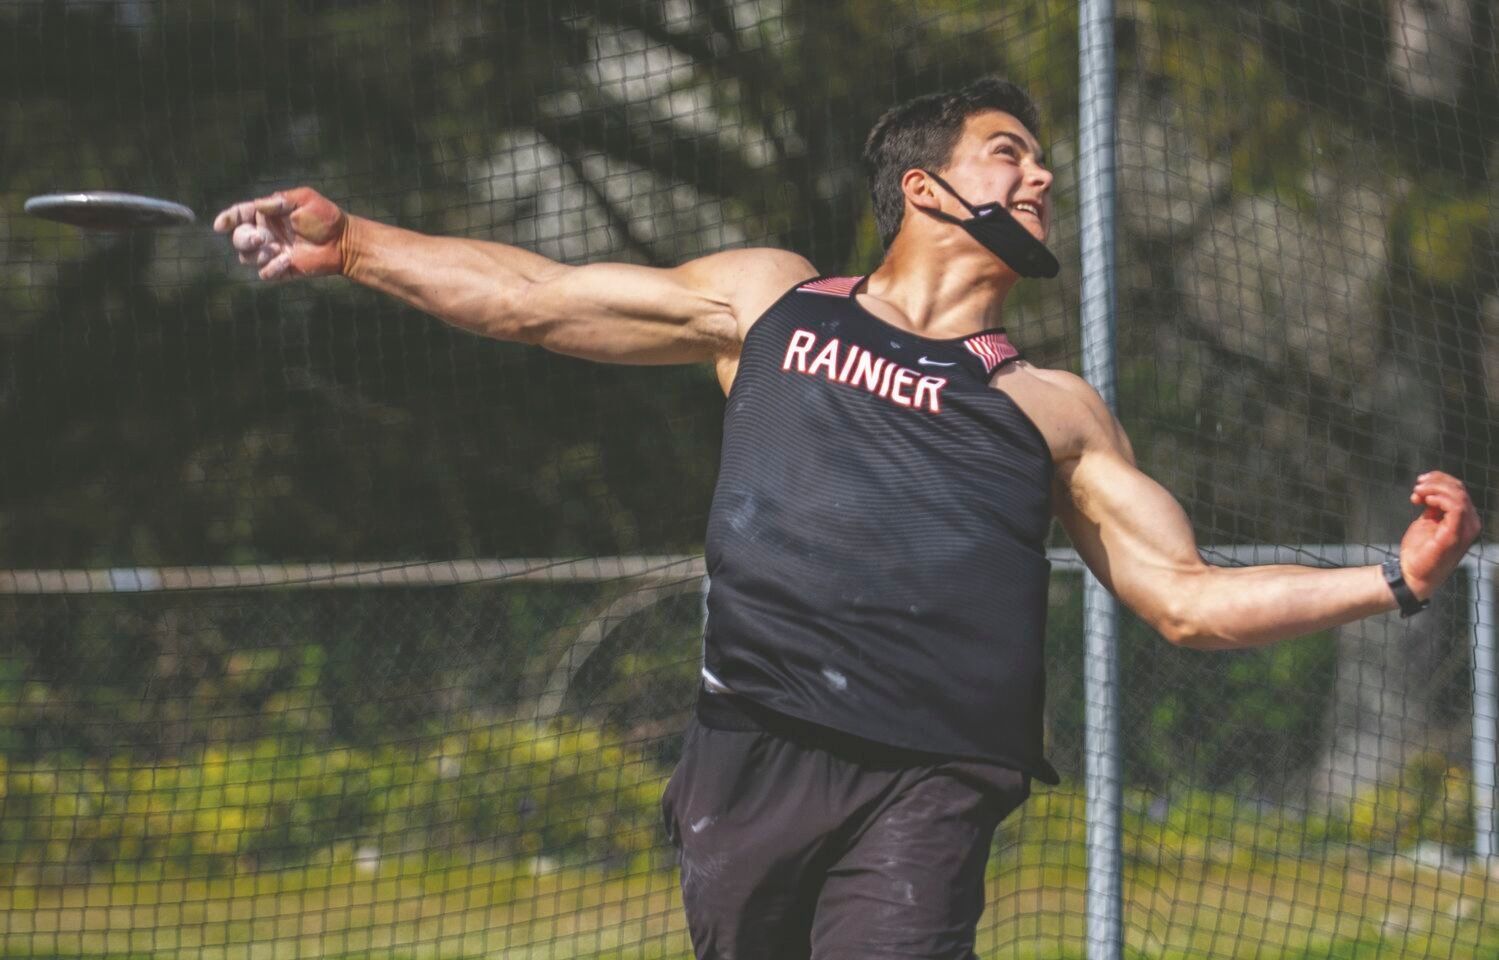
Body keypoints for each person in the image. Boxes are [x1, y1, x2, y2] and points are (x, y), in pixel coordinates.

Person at [215, 77, 1480, 960]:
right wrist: (359, 244)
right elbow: (538, 298)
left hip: (929, 775)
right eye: (1010, 154)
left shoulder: (1052, 410)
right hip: (748, 749)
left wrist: (1394, 577)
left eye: (1039, 161)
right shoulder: (773, 304)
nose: (1041, 176)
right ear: (924, 188)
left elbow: (1187, 601)